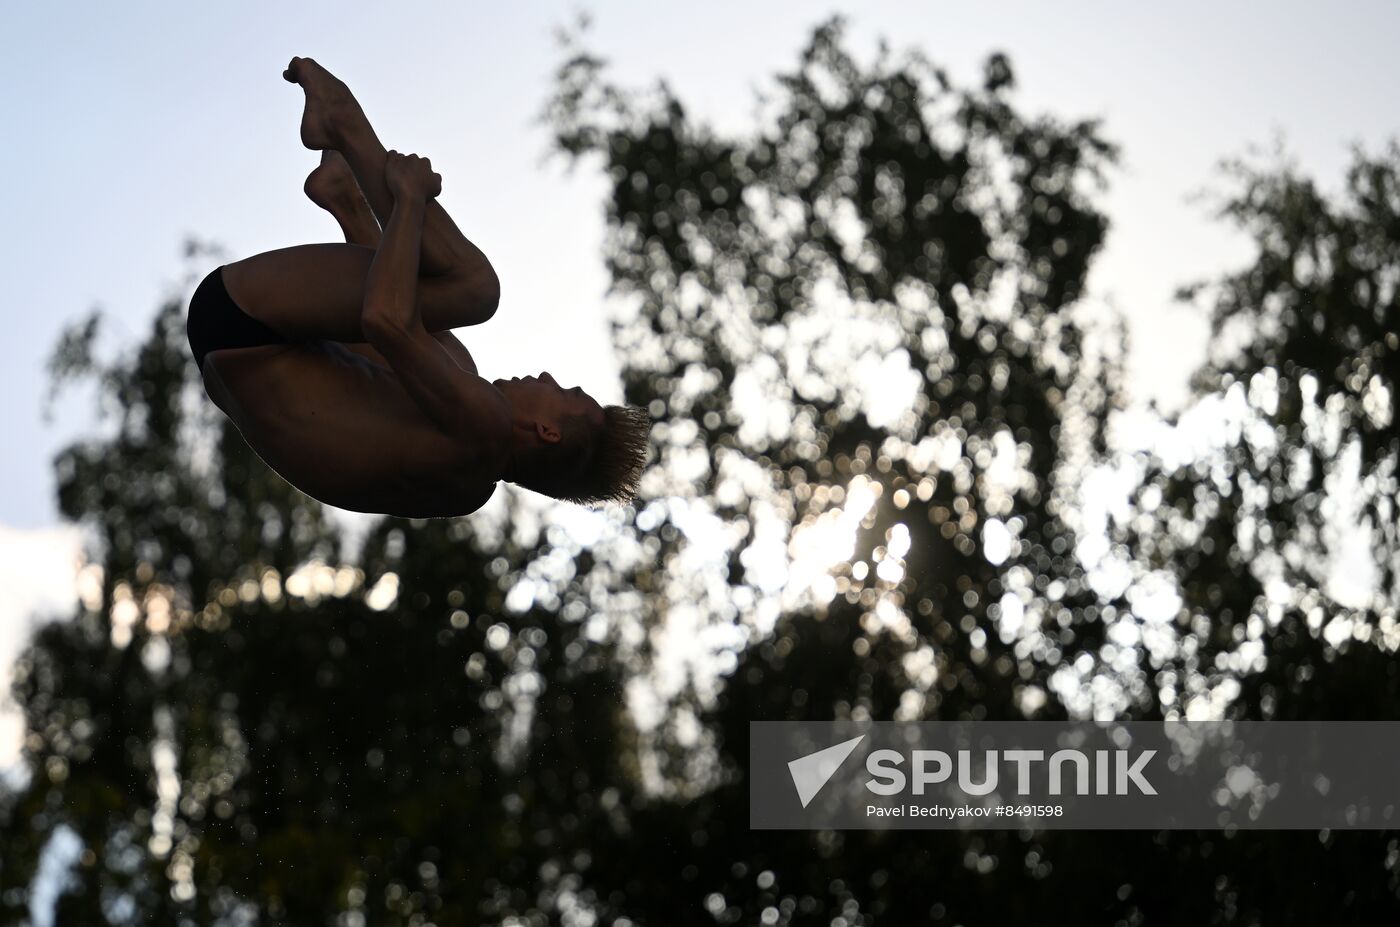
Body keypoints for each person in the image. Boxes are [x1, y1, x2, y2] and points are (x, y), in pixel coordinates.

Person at [187, 57, 650, 518]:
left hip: (246, 322)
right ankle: (346, 198)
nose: (548, 378)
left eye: (565, 391)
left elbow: (384, 320)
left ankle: (343, 123)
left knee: (474, 290)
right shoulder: (466, 488)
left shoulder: (488, 422)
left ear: (549, 431)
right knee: (446, 360)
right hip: (230, 353)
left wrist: (410, 197)